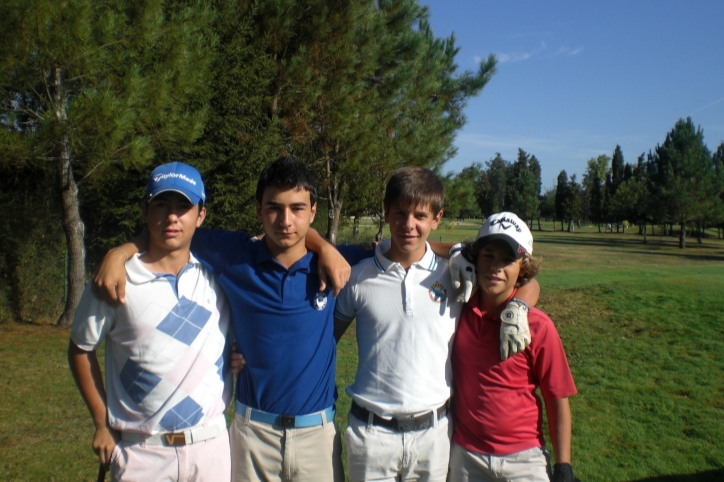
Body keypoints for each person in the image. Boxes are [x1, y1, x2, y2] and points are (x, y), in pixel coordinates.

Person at [93, 156, 365, 482]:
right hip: (253, 434)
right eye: (274, 208)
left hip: (317, 436)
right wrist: (119, 252)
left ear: (314, 211)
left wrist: (325, 246)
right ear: (258, 210)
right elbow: (173, 230)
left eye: (297, 208)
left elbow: (401, 248)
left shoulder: (338, 264)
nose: (285, 220)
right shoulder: (233, 256)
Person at [333, 168, 540, 482]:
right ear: (386, 212)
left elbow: (524, 280)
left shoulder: (457, 275)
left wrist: (520, 304)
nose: (409, 224)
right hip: (371, 435)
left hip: (434, 435)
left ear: (437, 218)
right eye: (400, 213)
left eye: (420, 215)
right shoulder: (358, 276)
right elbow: (324, 341)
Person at [69, 162, 234, 481]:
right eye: (161, 204)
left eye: (183, 206)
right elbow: (80, 348)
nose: (172, 217)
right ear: (145, 210)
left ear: (200, 215)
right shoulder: (114, 280)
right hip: (142, 453)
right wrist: (102, 422)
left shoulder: (220, 274)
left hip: (210, 448)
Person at [449, 212, 579, 482]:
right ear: (475, 258)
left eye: (508, 260)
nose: (496, 267)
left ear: (524, 267)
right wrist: (455, 251)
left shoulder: (537, 325)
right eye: (488, 256)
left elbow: (557, 397)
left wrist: (563, 465)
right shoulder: (458, 308)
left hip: (524, 459)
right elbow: (420, 249)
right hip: (466, 456)